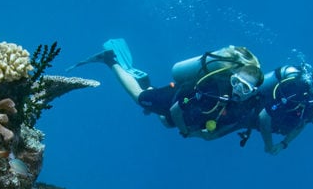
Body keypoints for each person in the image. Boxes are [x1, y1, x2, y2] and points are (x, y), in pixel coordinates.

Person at [72, 38, 265, 142]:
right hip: (175, 98)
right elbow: (175, 109)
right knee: (139, 98)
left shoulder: (246, 104)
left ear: (253, 91)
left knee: (165, 122)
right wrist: (185, 132)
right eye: (236, 82)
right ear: (232, 77)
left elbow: (227, 126)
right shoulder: (212, 87)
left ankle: (146, 82)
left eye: (245, 88)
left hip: (189, 112)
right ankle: (109, 59)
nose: (238, 89)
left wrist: (204, 134)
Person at [256, 63, 313, 154]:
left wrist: (283, 144)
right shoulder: (296, 89)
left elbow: (303, 122)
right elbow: (264, 116)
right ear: (311, 82)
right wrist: (268, 144)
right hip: (254, 110)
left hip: (275, 122)